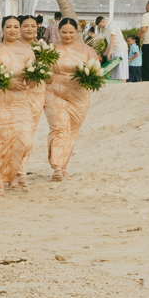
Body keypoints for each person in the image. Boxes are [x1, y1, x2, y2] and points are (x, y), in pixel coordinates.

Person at [45, 17, 102, 180]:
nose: (67, 35)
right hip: (54, 92)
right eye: (64, 32)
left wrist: (90, 77)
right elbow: (44, 71)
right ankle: (56, 166)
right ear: (58, 32)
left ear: (76, 32)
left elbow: (97, 70)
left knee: (71, 131)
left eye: (71, 32)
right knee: (59, 128)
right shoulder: (51, 49)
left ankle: (63, 167)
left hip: (79, 95)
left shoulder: (86, 50)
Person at [0, 17, 36, 197]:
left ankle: (12, 173)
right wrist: (8, 84)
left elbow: (32, 80)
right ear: (3, 29)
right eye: (9, 27)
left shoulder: (28, 51)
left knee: (24, 141)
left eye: (16, 27)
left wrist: (32, 78)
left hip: (22, 101)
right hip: (0, 100)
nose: (13, 30)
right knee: (0, 141)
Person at [17, 15, 47, 187]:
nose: (29, 29)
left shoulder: (43, 49)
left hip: (36, 93)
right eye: (26, 26)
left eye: (33, 26)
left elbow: (49, 76)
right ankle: (11, 170)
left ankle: (21, 169)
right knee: (14, 133)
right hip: (15, 93)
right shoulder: (13, 47)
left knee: (28, 135)